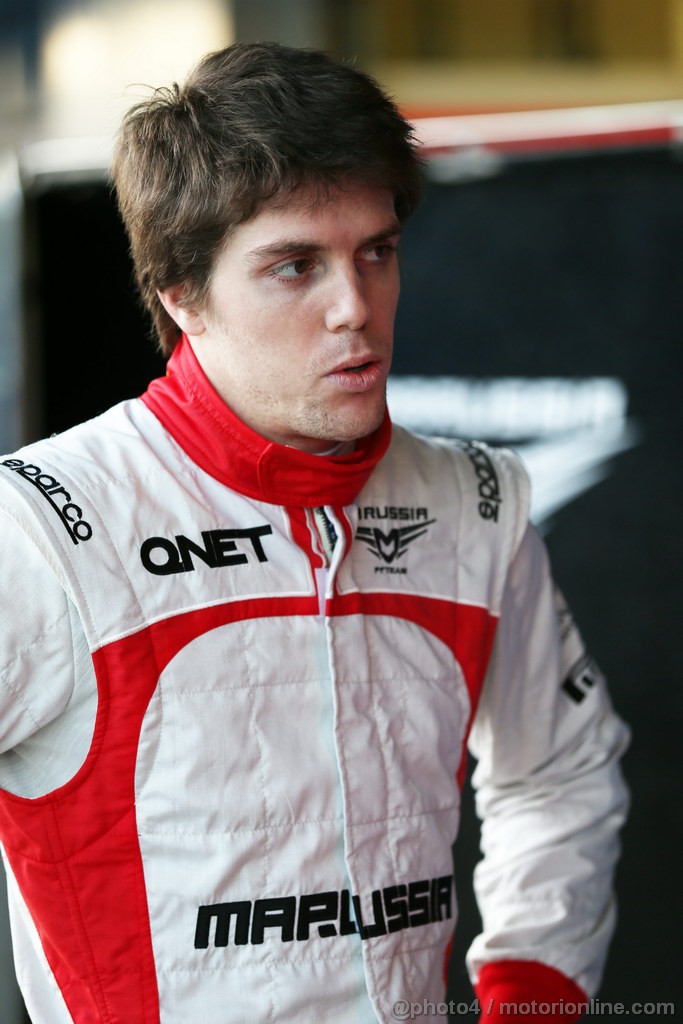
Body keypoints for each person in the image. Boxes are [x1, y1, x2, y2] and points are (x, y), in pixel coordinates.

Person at [0, 42, 629, 1024]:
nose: (354, 307)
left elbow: (559, 770)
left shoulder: (476, 501)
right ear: (182, 292)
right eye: (294, 265)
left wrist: (529, 1001)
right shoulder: (40, 528)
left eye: (375, 251)